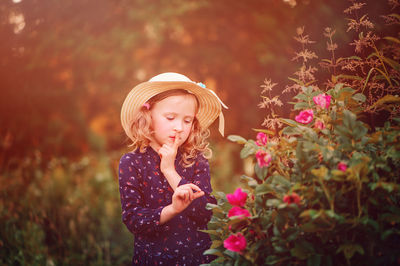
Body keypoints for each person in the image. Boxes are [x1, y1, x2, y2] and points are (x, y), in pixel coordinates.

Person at [118, 72, 228, 265]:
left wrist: (170, 171)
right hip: (153, 259)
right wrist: (172, 209)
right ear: (147, 115)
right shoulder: (131, 162)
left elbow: (205, 211)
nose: (179, 127)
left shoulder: (195, 160)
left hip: (196, 258)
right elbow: (134, 219)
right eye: (170, 117)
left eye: (187, 121)